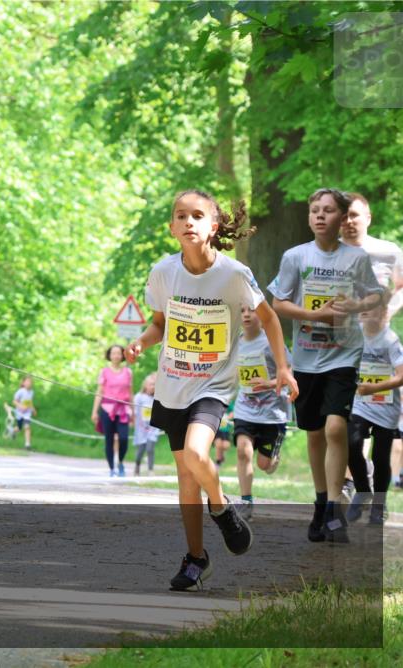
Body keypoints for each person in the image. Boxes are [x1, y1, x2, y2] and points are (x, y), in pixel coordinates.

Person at [126, 189, 297, 592]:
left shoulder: (234, 274)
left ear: (213, 226)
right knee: (187, 479)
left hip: (213, 385)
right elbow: (160, 324)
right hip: (172, 386)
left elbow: (269, 319)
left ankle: (221, 506)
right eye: (180, 216)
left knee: (198, 454)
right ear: (172, 227)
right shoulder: (163, 273)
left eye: (197, 215)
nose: (188, 221)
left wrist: (285, 368)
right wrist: (141, 343)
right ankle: (196, 558)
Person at [269, 188, 384, 542]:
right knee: (315, 432)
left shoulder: (356, 257)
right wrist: (312, 314)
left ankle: (335, 508)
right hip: (305, 357)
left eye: (329, 210)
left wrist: (353, 305)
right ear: (309, 217)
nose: (320, 215)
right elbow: (278, 304)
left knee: (336, 428)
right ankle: (321, 502)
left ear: (342, 218)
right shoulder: (295, 257)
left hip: (344, 354)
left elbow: (376, 294)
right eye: (315, 210)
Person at [345, 306, 403, 526]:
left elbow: (401, 376)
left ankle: (379, 506)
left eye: (372, 310)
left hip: (386, 405)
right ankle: (362, 490)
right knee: (351, 443)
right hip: (362, 403)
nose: (366, 315)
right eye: (363, 310)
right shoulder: (354, 334)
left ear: (382, 314)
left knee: (380, 457)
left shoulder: (390, 340)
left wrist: (374, 388)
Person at [233, 305, 291, 520]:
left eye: (252, 310)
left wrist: (268, 383)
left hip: (272, 412)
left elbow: (290, 374)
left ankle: (274, 453)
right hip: (245, 408)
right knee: (243, 450)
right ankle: (246, 502)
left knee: (264, 465)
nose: (247, 314)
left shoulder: (270, 342)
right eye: (242, 310)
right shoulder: (235, 343)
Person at [341, 193, 403, 316]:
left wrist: (388, 311)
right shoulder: (324, 252)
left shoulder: (388, 250)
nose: (348, 221)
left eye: (354, 215)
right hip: (336, 330)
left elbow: (401, 286)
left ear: (368, 219)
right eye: (343, 217)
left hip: (374, 331)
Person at [92, 344, 133, 476]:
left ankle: (120, 462)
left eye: (119, 353)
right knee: (109, 440)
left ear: (122, 356)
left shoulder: (128, 372)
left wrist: (133, 413)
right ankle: (111, 469)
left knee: (124, 438)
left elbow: (130, 393)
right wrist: (94, 411)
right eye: (113, 353)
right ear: (109, 355)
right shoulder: (104, 372)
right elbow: (99, 392)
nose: (116, 356)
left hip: (123, 410)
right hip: (107, 409)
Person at [133, 373, 160, 476]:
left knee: (150, 448)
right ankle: (137, 466)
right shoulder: (139, 397)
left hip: (153, 429)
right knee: (140, 450)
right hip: (141, 429)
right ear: (145, 385)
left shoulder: (157, 398)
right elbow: (135, 412)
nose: (152, 387)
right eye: (150, 384)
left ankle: (150, 470)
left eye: (154, 385)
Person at [12, 377, 36, 450]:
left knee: (27, 427)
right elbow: (14, 401)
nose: (29, 383)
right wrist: (21, 406)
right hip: (19, 413)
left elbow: (29, 402)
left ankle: (27, 445)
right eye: (27, 381)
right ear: (23, 383)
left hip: (27, 414)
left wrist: (33, 409)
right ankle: (13, 431)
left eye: (30, 382)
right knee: (19, 428)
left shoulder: (32, 392)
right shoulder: (20, 391)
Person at [212, 402, 233, 468]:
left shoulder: (230, 403)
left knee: (225, 445)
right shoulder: (216, 402)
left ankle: (222, 456)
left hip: (226, 429)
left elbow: (233, 412)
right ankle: (218, 462)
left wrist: (228, 418)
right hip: (217, 427)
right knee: (218, 444)